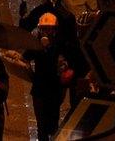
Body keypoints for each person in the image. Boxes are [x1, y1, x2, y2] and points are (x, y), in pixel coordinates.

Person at [21, 13, 79, 141]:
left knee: (52, 125)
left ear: (55, 29)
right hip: (39, 89)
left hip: (54, 90)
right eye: (44, 28)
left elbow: (69, 61)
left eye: (49, 28)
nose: (46, 31)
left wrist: (49, 47)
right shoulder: (36, 44)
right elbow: (25, 57)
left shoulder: (61, 44)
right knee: (41, 126)